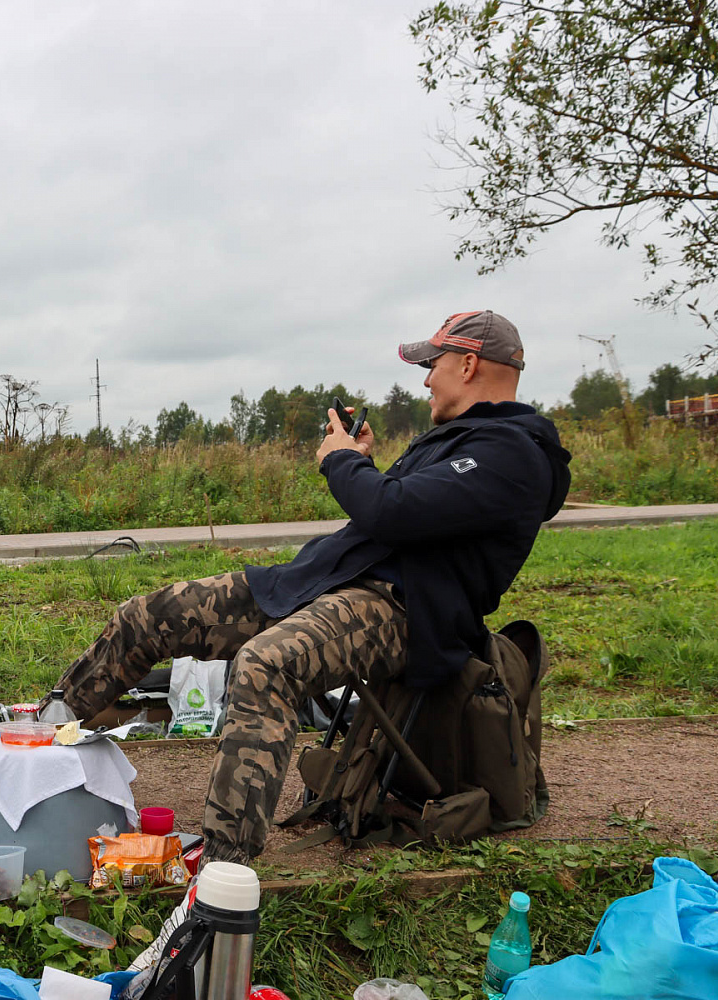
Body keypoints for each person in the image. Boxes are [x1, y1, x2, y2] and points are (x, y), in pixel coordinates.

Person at [48, 310, 572, 869]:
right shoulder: (460, 442)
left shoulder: (514, 454)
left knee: (266, 665)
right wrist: (365, 462)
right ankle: (38, 742)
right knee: (150, 615)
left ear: (468, 364)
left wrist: (343, 462)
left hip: (400, 611)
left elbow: (392, 513)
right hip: (327, 584)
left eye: (433, 365)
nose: (425, 379)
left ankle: (225, 869)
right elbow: (402, 509)